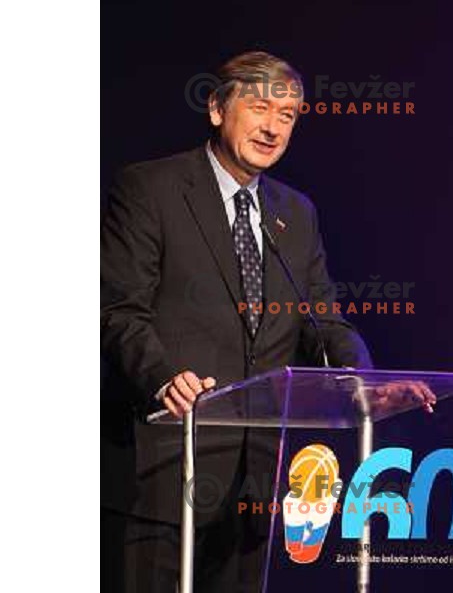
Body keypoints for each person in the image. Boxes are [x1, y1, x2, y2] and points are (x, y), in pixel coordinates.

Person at [101, 51, 374, 593]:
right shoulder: (150, 189)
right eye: (260, 107)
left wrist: (366, 380)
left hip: (256, 488)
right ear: (217, 109)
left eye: (289, 115)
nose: (273, 127)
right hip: (166, 470)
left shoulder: (296, 213)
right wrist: (163, 376)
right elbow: (117, 310)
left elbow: (322, 320)